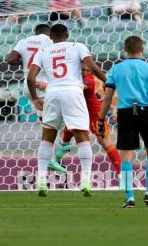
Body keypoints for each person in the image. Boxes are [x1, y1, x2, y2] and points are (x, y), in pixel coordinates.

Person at [27, 23, 106, 197]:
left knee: (47, 137)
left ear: (50, 38)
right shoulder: (77, 46)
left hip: (52, 93)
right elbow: (92, 68)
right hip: (73, 92)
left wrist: (34, 98)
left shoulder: (43, 52)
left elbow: (31, 78)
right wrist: (107, 82)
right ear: (67, 35)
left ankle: (41, 181)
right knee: (82, 136)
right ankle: (85, 181)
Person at [97, 36, 148, 208]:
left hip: (125, 113)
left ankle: (129, 196)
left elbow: (107, 97)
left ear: (124, 50)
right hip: (147, 112)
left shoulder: (116, 69)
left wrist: (101, 119)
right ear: (142, 49)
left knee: (127, 155)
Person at [7, 24, 65, 173]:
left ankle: (55, 155)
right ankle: (56, 154)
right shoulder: (50, 41)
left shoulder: (24, 41)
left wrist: (25, 62)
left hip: (29, 86)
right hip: (44, 86)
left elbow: (10, 59)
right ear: (49, 33)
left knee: (47, 123)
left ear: (35, 31)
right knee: (55, 123)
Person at [55, 64, 121, 176]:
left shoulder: (89, 80)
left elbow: (80, 87)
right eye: (83, 70)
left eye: (88, 70)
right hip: (78, 112)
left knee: (104, 141)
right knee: (65, 137)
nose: (85, 72)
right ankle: (57, 165)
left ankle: (121, 173)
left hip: (93, 113)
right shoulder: (73, 77)